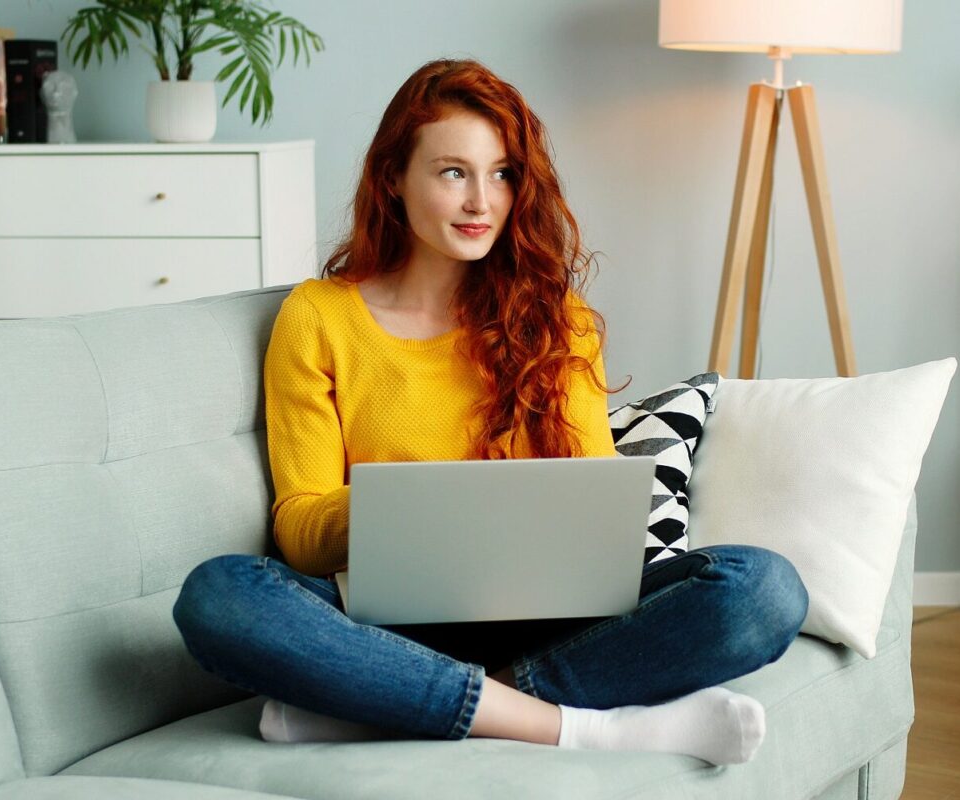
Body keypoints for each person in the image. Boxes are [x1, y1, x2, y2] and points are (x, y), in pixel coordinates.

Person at [173, 58, 807, 765]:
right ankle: (576, 726)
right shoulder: (318, 317)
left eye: (502, 173)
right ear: (394, 178)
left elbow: (600, 511)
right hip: (384, 622)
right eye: (453, 173)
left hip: (548, 622)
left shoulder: (555, 318)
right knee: (219, 596)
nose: (482, 201)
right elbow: (299, 533)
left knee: (764, 590)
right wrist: (407, 505)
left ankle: (403, 706)